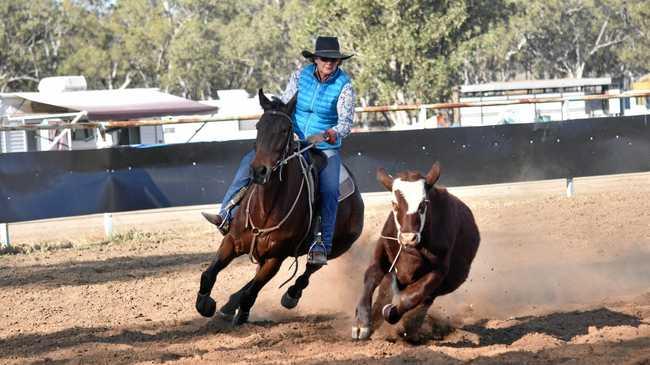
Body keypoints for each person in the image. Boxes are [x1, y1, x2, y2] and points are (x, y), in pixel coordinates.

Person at [202, 36, 356, 266]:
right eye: (325, 58)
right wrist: (281, 125)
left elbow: (345, 123)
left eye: (335, 60)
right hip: (292, 140)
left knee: (331, 189)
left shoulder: (345, 86)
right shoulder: (299, 77)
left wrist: (326, 135)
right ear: (315, 59)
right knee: (249, 162)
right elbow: (285, 105)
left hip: (323, 148)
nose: (330, 63)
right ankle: (226, 213)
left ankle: (321, 243)